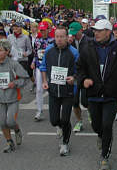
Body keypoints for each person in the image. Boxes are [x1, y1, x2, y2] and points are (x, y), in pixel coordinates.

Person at [77, 19, 117, 170]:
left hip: (111, 94)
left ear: (108, 32)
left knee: (107, 125)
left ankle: (104, 156)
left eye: (99, 30)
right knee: (97, 126)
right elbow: (79, 68)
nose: (95, 33)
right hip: (93, 94)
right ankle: (100, 136)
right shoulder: (87, 47)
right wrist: (83, 79)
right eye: (95, 30)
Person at [0, 39, 29, 153]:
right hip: (0, 98)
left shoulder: (14, 64)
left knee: (10, 122)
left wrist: (15, 83)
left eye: (1, 50)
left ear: (7, 51)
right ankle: (9, 142)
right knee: (2, 122)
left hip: (13, 97)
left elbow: (25, 77)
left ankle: (17, 130)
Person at [40, 26, 79, 156]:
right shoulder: (49, 50)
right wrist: (45, 82)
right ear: (54, 37)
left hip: (68, 91)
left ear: (67, 37)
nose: (59, 39)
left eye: (62, 36)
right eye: (57, 36)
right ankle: (62, 128)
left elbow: (80, 70)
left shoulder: (74, 52)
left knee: (65, 119)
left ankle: (65, 144)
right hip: (53, 91)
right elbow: (43, 66)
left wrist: (73, 78)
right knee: (54, 120)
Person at [68, 22, 92, 132]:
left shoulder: (89, 41)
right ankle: (79, 121)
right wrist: (68, 44)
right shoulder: (70, 42)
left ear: (81, 30)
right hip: (74, 74)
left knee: (85, 101)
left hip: (86, 74)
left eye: (75, 33)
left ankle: (91, 114)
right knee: (74, 101)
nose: (73, 35)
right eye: (71, 33)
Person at [31, 21, 54, 121]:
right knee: (39, 89)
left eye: (44, 30)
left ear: (48, 30)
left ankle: (54, 109)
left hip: (50, 67)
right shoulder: (37, 41)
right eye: (41, 30)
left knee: (51, 88)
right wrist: (33, 62)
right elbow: (35, 53)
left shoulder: (52, 41)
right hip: (39, 66)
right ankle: (39, 111)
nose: (43, 32)